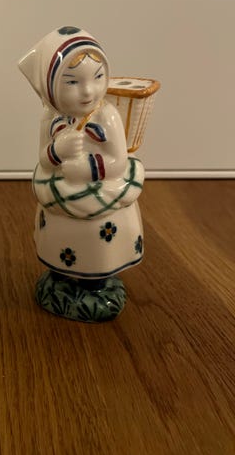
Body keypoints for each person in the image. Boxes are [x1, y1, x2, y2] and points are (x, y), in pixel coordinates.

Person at [19, 26, 145, 302]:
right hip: (60, 195)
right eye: (72, 82)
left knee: (96, 244)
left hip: (99, 197)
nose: (88, 91)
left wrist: (88, 169)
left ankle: (96, 281)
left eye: (98, 77)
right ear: (51, 86)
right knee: (60, 237)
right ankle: (59, 274)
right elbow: (45, 160)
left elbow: (118, 161)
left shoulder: (107, 116)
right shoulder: (50, 118)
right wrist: (57, 149)